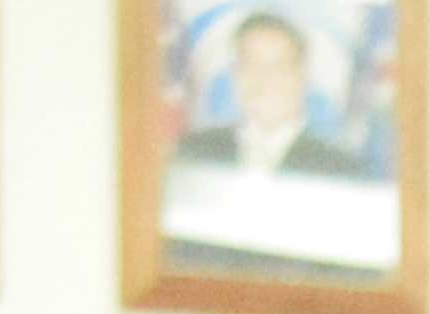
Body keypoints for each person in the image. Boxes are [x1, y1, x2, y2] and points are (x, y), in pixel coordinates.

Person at [160, 7, 389, 282]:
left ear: (302, 77)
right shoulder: (194, 154)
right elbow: (171, 259)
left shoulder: (342, 172)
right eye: (251, 64)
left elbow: (356, 280)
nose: (265, 79)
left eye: (279, 65)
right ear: (234, 75)